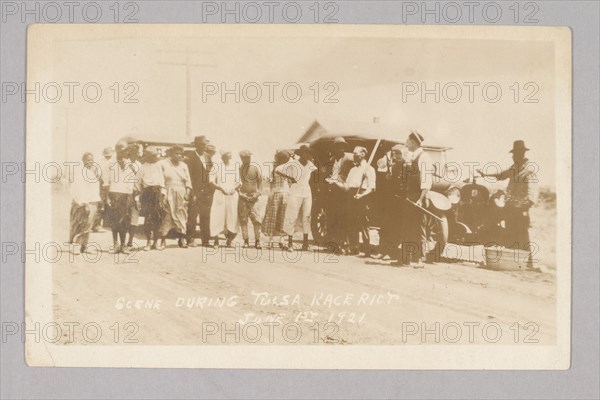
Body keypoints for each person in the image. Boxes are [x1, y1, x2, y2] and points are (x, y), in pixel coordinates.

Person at [477, 140, 538, 257]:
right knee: (510, 235)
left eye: (515, 154)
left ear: (522, 154)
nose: (513, 157)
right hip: (510, 209)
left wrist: (521, 208)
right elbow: (501, 175)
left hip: (520, 210)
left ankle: (528, 264)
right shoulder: (515, 168)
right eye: (513, 154)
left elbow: (531, 196)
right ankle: (510, 262)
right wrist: (485, 174)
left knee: (522, 236)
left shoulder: (529, 171)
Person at [400, 130, 435, 266]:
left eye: (407, 141)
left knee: (418, 227)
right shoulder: (410, 156)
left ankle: (419, 259)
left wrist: (421, 199)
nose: (406, 144)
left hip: (419, 196)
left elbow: (426, 181)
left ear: (414, 142)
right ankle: (406, 258)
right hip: (410, 196)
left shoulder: (424, 157)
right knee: (407, 227)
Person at [333, 146, 376, 256]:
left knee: (363, 222)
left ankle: (367, 249)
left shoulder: (369, 169)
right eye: (353, 154)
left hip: (363, 196)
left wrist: (362, 195)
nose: (353, 156)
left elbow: (372, 187)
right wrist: (335, 182)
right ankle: (354, 247)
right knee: (351, 221)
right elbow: (346, 187)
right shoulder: (352, 170)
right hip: (351, 195)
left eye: (356, 154)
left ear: (362, 155)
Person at [373, 144, 408, 261]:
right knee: (385, 226)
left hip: (400, 201)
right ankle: (382, 250)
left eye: (399, 153)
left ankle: (391, 252)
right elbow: (380, 166)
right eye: (395, 153)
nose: (397, 155)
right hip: (390, 200)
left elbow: (405, 184)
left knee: (395, 228)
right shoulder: (393, 165)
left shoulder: (407, 166)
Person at [281, 145, 317, 251]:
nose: (307, 155)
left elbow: (314, 177)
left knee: (307, 216)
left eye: (308, 153)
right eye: (305, 153)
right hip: (295, 192)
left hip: (306, 192)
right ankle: (290, 243)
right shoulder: (293, 164)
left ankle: (305, 244)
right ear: (301, 154)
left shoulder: (311, 164)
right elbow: (285, 175)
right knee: (292, 215)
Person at [324, 137, 354, 253]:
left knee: (342, 217)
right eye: (337, 146)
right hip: (332, 191)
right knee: (331, 217)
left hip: (343, 191)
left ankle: (342, 244)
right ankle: (332, 244)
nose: (339, 149)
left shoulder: (349, 158)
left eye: (342, 146)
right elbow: (328, 173)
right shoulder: (331, 159)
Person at [106, 142, 137, 254]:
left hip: (126, 195)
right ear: (116, 150)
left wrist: (130, 196)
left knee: (125, 221)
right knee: (114, 222)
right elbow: (106, 181)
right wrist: (107, 198)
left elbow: (132, 182)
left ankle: (123, 246)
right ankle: (115, 245)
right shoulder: (110, 163)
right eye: (120, 150)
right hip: (114, 194)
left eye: (125, 150)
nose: (123, 152)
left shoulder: (130, 164)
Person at [69, 152, 101, 255]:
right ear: (83, 161)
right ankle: (77, 246)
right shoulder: (80, 173)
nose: (90, 162)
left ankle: (85, 246)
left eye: (92, 160)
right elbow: (79, 190)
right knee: (81, 224)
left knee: (88, 225)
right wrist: (85, 203)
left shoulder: (91, 173)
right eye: (88, 160)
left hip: (93, 202)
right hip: (83, 203)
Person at [136, 146, 168, 251]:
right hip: (147, 194)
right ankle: (148, 242)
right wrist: (141, 196)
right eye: (154, 156)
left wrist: (163, 195)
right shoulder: (142, 167)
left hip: (158, 193)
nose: (156, 158)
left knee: (158, 218)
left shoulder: (159, 166)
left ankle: (156, 242)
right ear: (149, 157)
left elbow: (162, 182)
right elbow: (138, 183)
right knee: (148, 219)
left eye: (156, 156)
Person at [162, 145, 193, 248]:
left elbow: (188, 181)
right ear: (171, 154)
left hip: (181, 191)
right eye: (177, 153)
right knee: (167, 215)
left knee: (182, 214)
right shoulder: (164, 164)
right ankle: (162, 240)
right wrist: (163, 193)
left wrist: (187, 193)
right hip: (168, 190)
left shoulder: (184, 165)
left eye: (180, 154)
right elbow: (161, 180)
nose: (179, 156)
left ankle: (182, 239)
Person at [186, 135, 213, 247]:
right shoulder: (190, 157)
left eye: (204, 144)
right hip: (195, 190)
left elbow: (211, 173)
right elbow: (188, 176)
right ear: (196, 145)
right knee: (192, 216)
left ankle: (205, 240)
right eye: (201, 144)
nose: (203, 146)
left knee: (205, 216)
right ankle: (190, 239)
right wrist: (192, 192)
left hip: (206, 192)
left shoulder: (208, 157)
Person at [209, 150, 240, 248]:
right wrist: (221, 188)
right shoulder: (216, 166)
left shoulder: (235, 166)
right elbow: (211, 181)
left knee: (233, 216)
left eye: (229, 154)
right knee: (217, 216)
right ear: (222, 156)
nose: (228, 156)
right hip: (220, 194)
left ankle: (229, 240)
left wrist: (234, 189)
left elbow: (238, 182)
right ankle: (216, 241)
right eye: (226, 155)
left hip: (232, 195)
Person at [262, 150, 291, 248]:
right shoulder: (287, 168)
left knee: (272, 216)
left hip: (276, 193)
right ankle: (282, 240)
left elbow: (271, 182)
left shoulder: (276, 168)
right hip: (286, 193)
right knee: (283, 217)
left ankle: (270, 241)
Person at [238, 150, 263, 249]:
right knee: (243, 220)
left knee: (257, 220)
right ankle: (246, 241)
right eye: (245, 157)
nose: (247, 159)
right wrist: (241, 194)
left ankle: (257, 241)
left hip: (254, 197)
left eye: (249, 157)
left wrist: (257, 194)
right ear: (241, 158)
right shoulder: (238, 170)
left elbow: (260, 183)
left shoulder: (255, 168)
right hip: (243, 197)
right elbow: (236, 184)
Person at [92, 146, 114, 232]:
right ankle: (96, 225)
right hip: (101, 185)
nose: (108, 157)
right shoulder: (99, 162)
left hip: (110, 186)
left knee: (109, 205)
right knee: (100, 205)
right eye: (107, 155)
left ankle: (107, 224)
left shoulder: (113, 162)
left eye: (110, 155)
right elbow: (95, 174)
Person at [125, 143, 142, 250]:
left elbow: (140, 179)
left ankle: (130, 242)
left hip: (135, 194)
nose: (135, 155)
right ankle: (121, 242)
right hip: (124, 193)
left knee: (134, 218)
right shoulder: (124, 163)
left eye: (137, 153)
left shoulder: (139, 165)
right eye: (133, 152)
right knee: (124, 218)